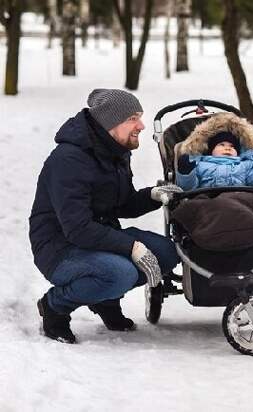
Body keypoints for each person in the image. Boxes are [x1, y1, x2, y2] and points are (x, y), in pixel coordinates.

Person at [29, 88, 181, 344]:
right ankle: (54, 307)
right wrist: (131, 246)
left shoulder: (115, 151)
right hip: (59, 249)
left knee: (165, 252)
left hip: (96, 239)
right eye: (133, 118)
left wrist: (152, 195)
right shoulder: (68, 160)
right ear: (110, 122)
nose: (141, 125)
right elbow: (77, 228)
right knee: (121, 272)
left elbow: (121, 204)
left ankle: (105, 301)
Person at [175, 112, 253, 190]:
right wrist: (186, 172)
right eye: (221, 144)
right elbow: (188, 187)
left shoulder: (245, 166)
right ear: (210, 151)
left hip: (240, 206)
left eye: (232, 146)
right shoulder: (200, 165)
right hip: (206, 205)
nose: (228, 148)